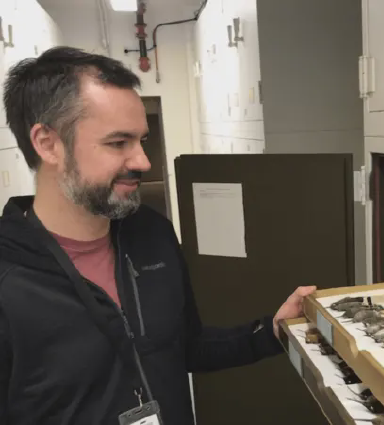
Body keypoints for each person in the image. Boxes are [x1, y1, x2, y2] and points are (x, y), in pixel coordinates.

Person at [0, 46, 315, 425]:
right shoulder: (9, 276)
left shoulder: (151, 232)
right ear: (48, 144)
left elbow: (186, 347)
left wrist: (272, 330)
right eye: (118, 143)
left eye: (141, 140)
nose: (143, 162)